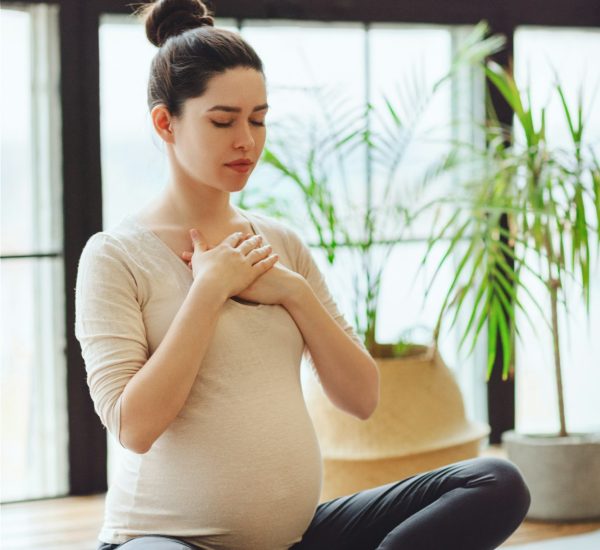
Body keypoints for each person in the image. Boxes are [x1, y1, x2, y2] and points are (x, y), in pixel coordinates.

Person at [74, 1, 531, 548]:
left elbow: (362, 399)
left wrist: (291, 291)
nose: (247, 140)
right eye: (223, 121)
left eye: (259, 119)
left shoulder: (282, 244)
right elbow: (134, 428)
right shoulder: (114, 255)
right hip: (165, 540)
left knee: (495, 481)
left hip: (296, 538)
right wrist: (209, 290)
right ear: (165, 121)